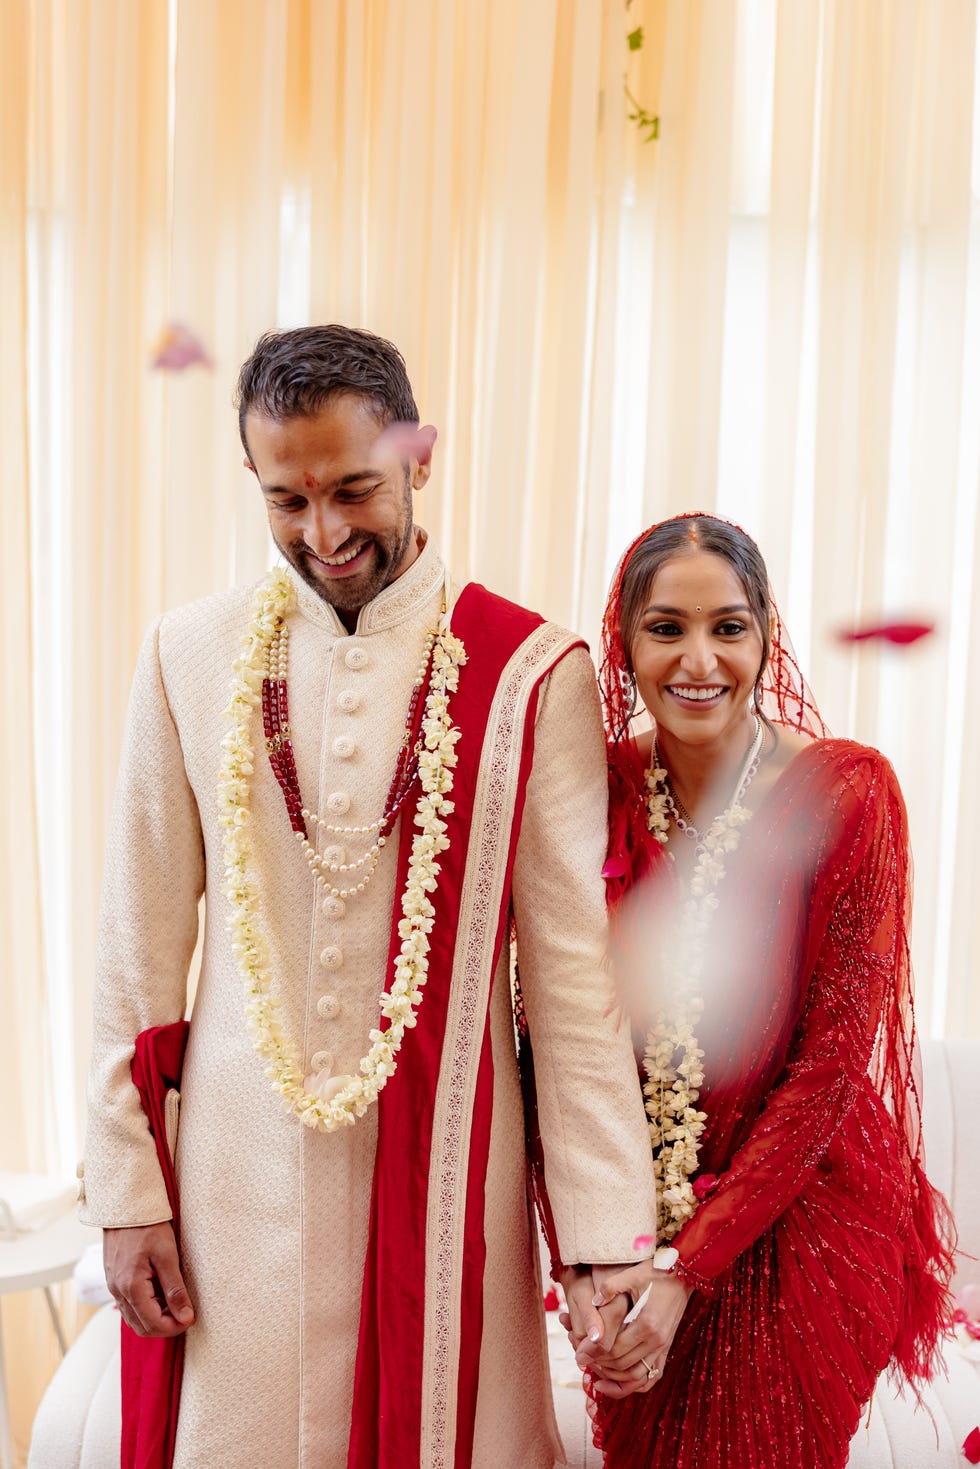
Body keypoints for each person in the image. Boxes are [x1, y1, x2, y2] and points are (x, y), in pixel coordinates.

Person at [79, 325, 657, 1469]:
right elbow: (135, 947)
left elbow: (572, 977)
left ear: (416, 457)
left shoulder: (532, 670)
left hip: (454, 1175)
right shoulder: (187, 654)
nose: (326, 533)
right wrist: (126, 1191)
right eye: (287, 500)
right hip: (234, 1177)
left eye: (353, 488)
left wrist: (602, 1231)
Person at [561, 513, 955, 1468]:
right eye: (666, 627)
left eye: (728, 626)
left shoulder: (848, 795)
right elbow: (560, 1045)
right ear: (624, 641)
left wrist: (685, 1274)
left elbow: (827, 1072)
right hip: (640, 1209)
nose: (699, 658)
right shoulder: (590, 790)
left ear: (766, 637)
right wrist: (586, 1262)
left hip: (805, 1215)